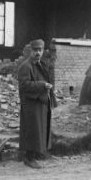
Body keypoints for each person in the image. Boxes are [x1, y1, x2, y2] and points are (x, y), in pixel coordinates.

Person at [18, 39, 57, 169]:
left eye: (40, 50)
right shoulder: (26, 66)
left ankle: (39, 153)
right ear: (31, 51)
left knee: (40, 129)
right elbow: (24, 85)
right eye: (35, 50)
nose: (38, 53)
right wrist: (42, 85)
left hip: (40, 101)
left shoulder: (40, 64)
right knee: (32, 130)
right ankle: (29, 158)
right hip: (30, 103)